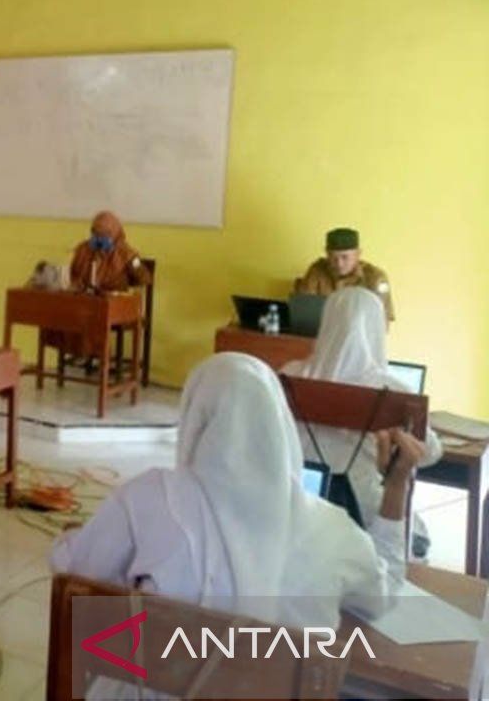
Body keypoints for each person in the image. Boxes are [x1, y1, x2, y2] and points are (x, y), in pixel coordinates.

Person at [50, 353, 420, 700]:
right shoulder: (335, 531)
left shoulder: (147, 497)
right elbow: (383, 595)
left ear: (196, 420)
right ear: (280, 425)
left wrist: (70, 540)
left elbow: (78, 578)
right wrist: (397, 483)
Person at [281, 287, 442, 552]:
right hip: (363, 514)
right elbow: (428, 453)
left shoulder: (289, 375)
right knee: (419, 533)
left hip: (299, 501)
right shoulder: (392, 389)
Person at [42, 210, 151, 360]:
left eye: (104, 234)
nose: (99, 238)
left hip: (112, 303)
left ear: (114, 234)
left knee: (92, 313)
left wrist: (131, 268)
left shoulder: (127, 253)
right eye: (96, 233)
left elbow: (144, 277)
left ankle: (97, 354)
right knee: (63, 308)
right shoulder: (84, 249)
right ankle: (77, 351)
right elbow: (73, 273)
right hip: (88, 297)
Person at [295, 227, 394, 321]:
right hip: (323, 334)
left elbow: (382, 321)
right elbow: (304, 313)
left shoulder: (375, 278)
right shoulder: (317, 272)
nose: (339, 263)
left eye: (345, 257)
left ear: (358, 254)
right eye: (333, 258)